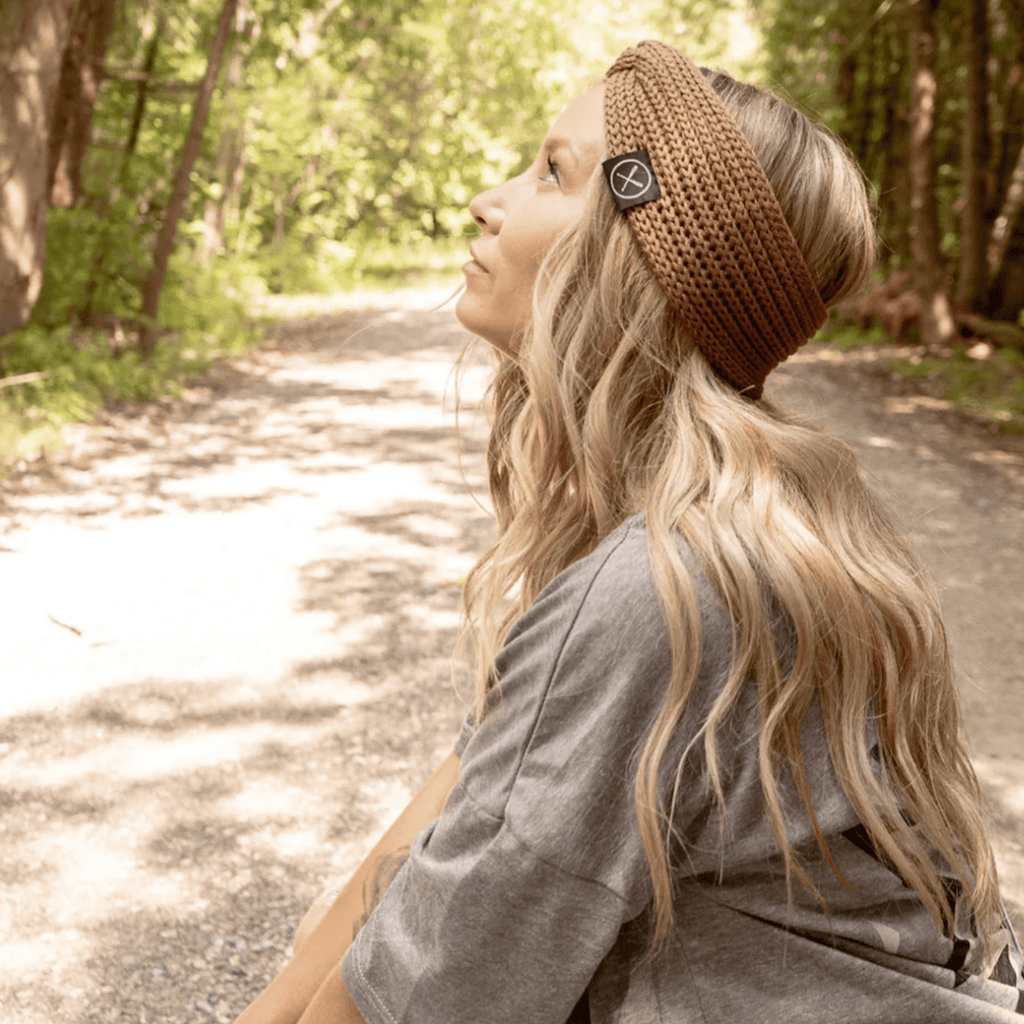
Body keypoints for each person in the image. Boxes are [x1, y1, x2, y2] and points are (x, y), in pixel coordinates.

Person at [234, 40, 1024, 1024]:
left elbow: (444, 980)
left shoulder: (662, 585)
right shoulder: (713, 510)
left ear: (638, 257)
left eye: (550, 172)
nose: (485, 201)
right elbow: (468, 804)